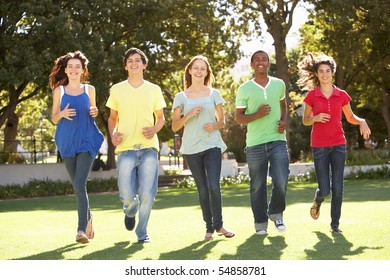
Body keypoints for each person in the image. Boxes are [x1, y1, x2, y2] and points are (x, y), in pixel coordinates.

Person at [297, 52, 371, 234]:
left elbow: (350, 117)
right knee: (325, 189)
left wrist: (361, 121)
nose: (324, 74)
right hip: (319, 146)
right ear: (317, 74)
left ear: (332, 73)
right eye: (321, 71)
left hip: (338, 144)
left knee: (338, 187)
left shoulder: (341, 95)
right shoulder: (312, 96)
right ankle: (318, 199)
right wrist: (315, 117)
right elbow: (305, 120)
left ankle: (334, 225)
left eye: (327, 71)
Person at [172, 55, 235, 241]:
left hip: (212, 144)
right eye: (196, 68)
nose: (199, 71)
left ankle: (220, 225)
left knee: (214, 186)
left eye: (203, 68)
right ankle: (209, 228)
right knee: (202, 189)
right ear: (190, 71)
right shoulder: (181, 97)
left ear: (207, 73)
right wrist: (189, 114)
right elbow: (175, 126)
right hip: (191, 148)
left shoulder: (214, 93)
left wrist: (214, 126)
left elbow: (222, 122)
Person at [106, 48, 166, 243]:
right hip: (125, 149)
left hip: (149, 148)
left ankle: (142, 232)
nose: (134, 63)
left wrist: (155, 129)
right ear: (125, 66)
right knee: (126, 194)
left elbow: (161, 118)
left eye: (138, 60)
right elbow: (112, 118)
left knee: (148, 194)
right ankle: (130, 210)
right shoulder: (116, 89)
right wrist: (113, 133)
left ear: (144, 64)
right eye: (130, 60)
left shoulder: (154, 89)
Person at [49, 50, 104, 243]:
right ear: (65, 69)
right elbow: (54, 118)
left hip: (87, 139)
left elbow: (93, 111)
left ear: (83, 70)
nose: (73, 69)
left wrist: (95, 111)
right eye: (70, 66)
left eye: (77, 67)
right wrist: (61, 113)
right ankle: (88, 218)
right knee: (77, 187)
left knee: (80, 184)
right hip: (66, 141)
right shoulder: (59, 91)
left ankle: (81, 230)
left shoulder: (90, 90)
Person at [235, 50, 289, 235]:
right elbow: (239, 118)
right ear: (252, 65)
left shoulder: (278, 84)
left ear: (268, 63)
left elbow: (283, 105)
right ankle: (260, 222)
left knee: (281, 180)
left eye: (264, 59)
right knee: (257, 185)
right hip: (255, 144)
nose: (260, 62)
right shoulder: (244, 89)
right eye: (256, 59)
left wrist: (283, 121)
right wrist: (257, 114)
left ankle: (276, 213)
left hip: (277, 140)